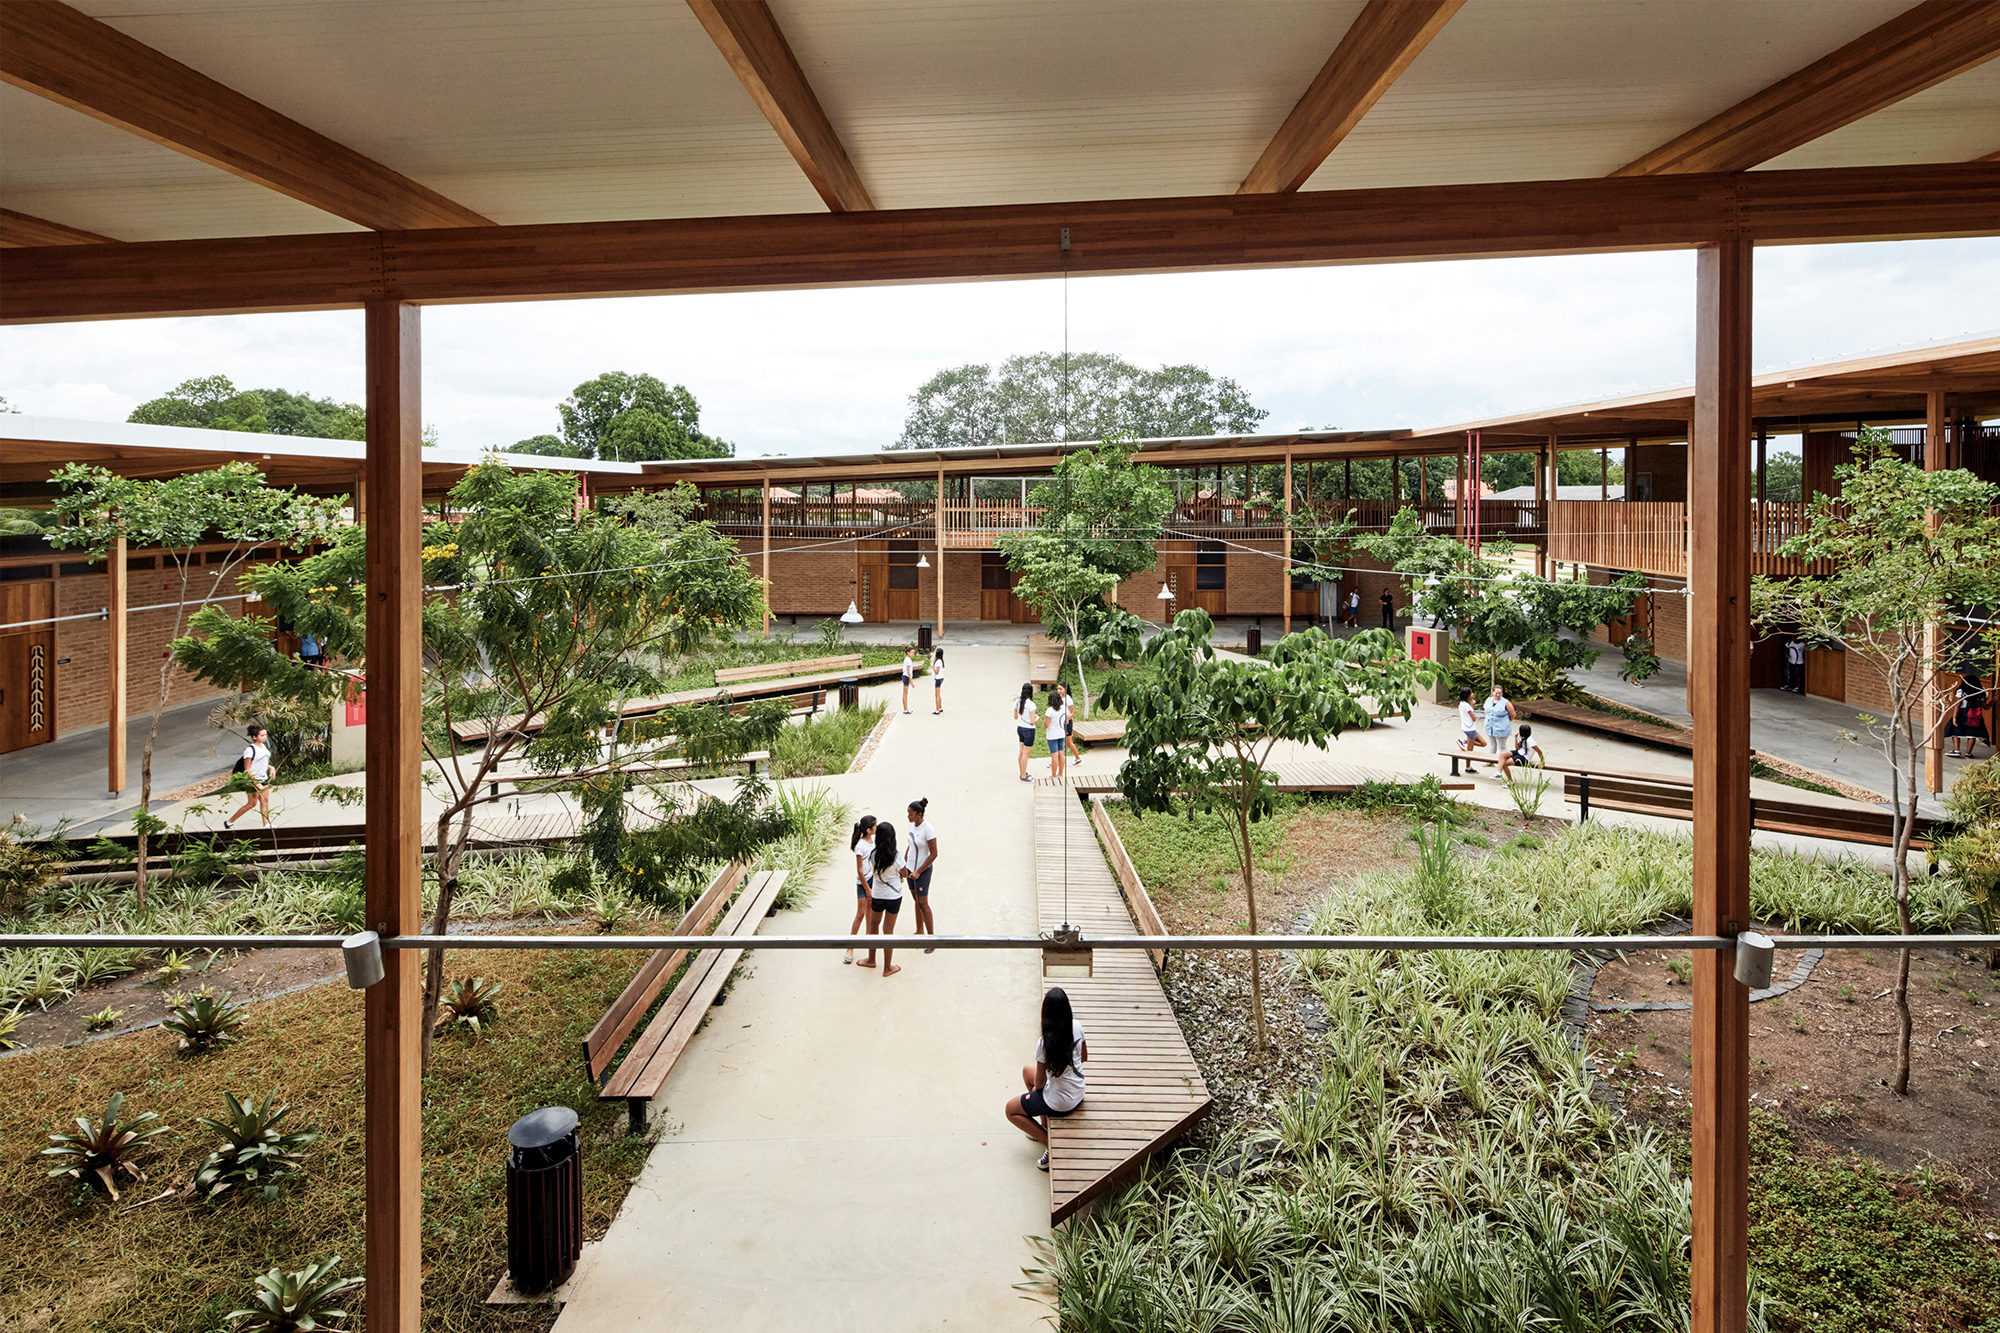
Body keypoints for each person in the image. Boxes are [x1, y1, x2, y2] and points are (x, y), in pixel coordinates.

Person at [1003, 987, 1088, 1172]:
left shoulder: (1044, 1042)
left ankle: (1050, 1144)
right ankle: (1043, 1128)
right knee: (1027, 1071)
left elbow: (1040, 1082)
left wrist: (1033, 1098)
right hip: (1078, 1091)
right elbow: (1084, 1057)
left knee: (1011, 1110)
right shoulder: (1078, 1026)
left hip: (1060, 1102)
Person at [857, 823, 904, 977]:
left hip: (877, 894)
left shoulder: (872, 854)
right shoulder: (897, 856)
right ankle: (887, 967)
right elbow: (904, 873)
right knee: (888, 931)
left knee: (873, 926)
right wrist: (897, 874)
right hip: (894, 895)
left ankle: (871, 959)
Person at [223, 725, 276, 828]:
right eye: (262, 735)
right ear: (254, 737)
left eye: (265, 735)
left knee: (265, 801)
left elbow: (261, 761)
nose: (264, 737)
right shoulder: (250, 750)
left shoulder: (263, 747)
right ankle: (229, 821)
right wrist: (256, 783)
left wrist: (270, 768)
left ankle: (266, 824)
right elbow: (247, 769)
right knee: (252, 803)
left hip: (263, 777)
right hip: (252, 780)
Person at [843, 814, 879, 964]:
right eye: (875, 826)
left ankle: (868, 938)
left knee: (871, 910)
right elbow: (859, 870)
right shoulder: (860, 846)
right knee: (861, 913)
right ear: (869, 830)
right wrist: (867, 888)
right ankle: (850, 947)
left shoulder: (874, 840)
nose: (877, 828)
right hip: (863, 881)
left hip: (873, 879)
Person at [904, 798, 939, 952]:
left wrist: (919, 871)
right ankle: (919, 931)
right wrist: (905, 863)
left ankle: (931, 939)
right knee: (916, 901)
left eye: (910, 814)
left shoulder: (928, 829)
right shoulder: (912, 826)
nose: (908, 816)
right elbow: (910, 845)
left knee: (923, 903)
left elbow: (933, 854)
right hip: (910, 869)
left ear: (919, 814)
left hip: (922, 871)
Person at [1948, 678, 1988, 759]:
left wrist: (1954, 717)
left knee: (1956, 731)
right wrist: (1994, 700)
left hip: (1962, 713)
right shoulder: (1981, 692)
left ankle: (1956, 750)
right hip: (1975, 716)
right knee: (1972, 734)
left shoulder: (1961, 691)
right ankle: (1968, 753)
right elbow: (1986, 707)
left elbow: (1958, 704)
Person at [1482, 683, 1516, 767]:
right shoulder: (1489, 700)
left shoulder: (1506, 702)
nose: (1498, 695)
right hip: (1490, 727)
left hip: (1501, 728)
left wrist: (1505, 722)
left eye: (1500, 693)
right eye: (1496, 693)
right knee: (1492, 744)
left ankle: (1503, 762)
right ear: (1492, 692)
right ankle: (1490, 761)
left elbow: (1513, 715)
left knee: (1502, 746)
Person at [1014, 683, 1038, 782]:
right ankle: (1023, 776)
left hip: (1020, 728)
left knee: (1021, 752)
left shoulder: (1018, 702)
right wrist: (1038, 718)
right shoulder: (1031, 705)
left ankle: (1022, 772)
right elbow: (1032, 722)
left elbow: (1015, 717)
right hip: (1029, 730)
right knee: (1026, 754)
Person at [1058, 681, 1083, 769]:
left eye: (1061, 689)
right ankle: (1055, 761)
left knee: (1069, 742)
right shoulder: (1058, 698)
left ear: (1065, 689)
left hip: (1067, 723)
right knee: (1058, 741)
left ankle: (1078, 758)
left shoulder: (1068, 699)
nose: (1059, 691)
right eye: (1058, 689)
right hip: (1059, 723)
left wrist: (1067, 718)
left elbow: (1072, 712)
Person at [1045, 686, 1068, 780]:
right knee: (1061, 754)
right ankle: (1060, 773)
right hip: (1061, 733)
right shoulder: (1064, 709)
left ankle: (1053, 775)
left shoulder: (1049, 711)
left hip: (1052, 735)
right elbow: (1066, 721)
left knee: (1054, 755)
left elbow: (1046, 724)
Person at [1455, 687, 1484, 752]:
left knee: (1483, 743)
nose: (1472, 694)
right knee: (1470, 749)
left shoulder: (1461, 704)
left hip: (1466, 727)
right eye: (1471, 693)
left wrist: (1472, 705)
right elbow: (1473, 718)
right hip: (1470, 728)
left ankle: (1465, 741)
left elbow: (1470, 712)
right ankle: (1463, 741)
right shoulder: (1466, 705)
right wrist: (1472, 707)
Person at [900, 649, 916, 715]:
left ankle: (905, 708)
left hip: (905, 676)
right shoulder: (908, 660)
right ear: (908, 652)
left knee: (905, 693)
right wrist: (911, 681)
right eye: (912, 652)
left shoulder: (906, 659)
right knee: (905, 693)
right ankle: (905, 709)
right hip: (906, 677)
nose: (913, 654)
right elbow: (908, 671)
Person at [931, 647, 945, 715]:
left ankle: (937, 710)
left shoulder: (938, 662)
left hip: (938, 679)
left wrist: (932, 666)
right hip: (941, 678)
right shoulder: (941, 661)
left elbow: (937, 671)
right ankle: (940, 707)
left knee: (936, 695)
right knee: (938, 694)